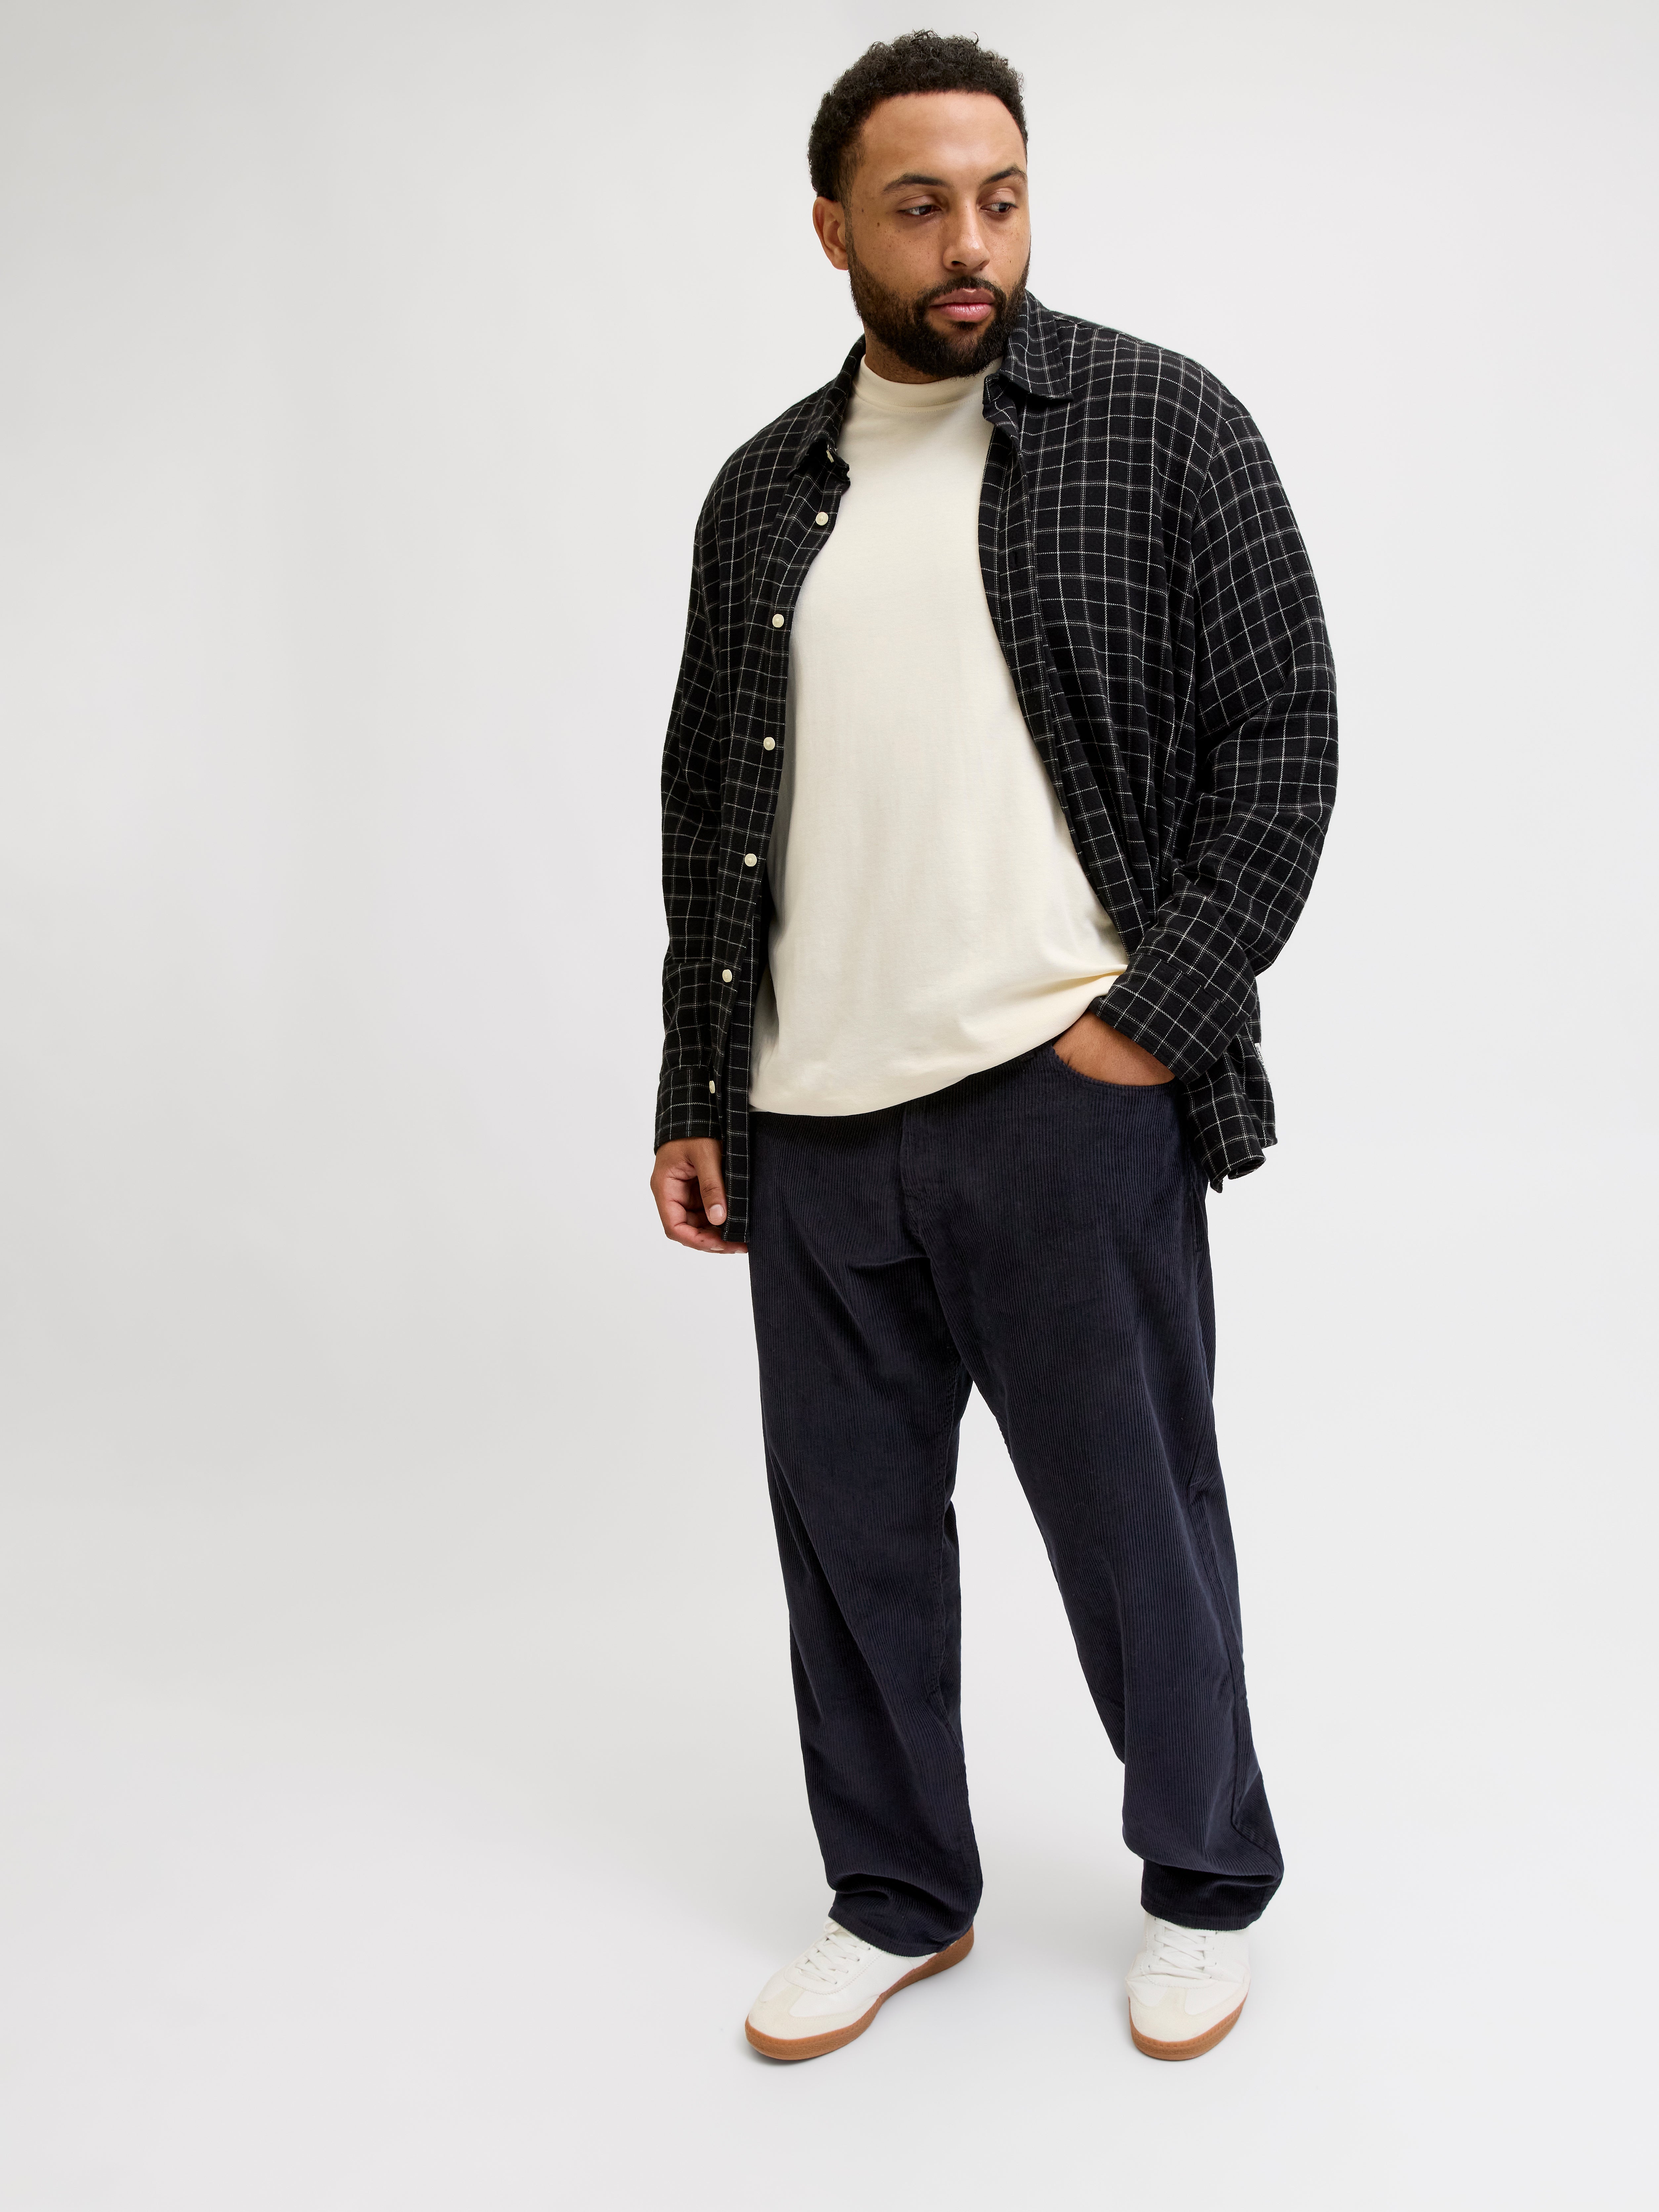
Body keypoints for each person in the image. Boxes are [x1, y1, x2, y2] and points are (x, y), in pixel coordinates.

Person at [649, 30, 1335, 2064]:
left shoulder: (1156, 424)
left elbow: (1282, 742)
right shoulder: (764, 494)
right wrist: (697, 1090)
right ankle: (893, 1897)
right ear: (832, 229)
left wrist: (1147, 1027)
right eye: (921, 205)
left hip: (1060, 1094)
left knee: (1136, 1525)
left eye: (1001, 196)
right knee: (850, 1548)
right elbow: (708, 808)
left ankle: (1200, 1884)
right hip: (810, 1122)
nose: (970, 242)